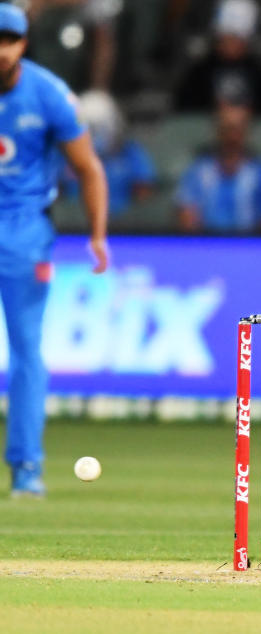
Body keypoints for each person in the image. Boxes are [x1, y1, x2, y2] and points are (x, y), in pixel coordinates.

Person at [0, 4, 109, 497]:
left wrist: (98, 233)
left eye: (10, 40)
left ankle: (26, 468)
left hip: (24, 231)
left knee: (26, 350)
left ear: (23, 44)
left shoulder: (47, 93)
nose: (1, 51)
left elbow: (88, 167)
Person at [175, 101, 261, 233]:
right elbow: (187, 217)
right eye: (227, 129)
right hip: (207, 246)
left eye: (238, 130)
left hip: (250, 247)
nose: (232, 137)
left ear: (247, 132)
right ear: (217, 132)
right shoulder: (197, 171)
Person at [173, 0, 261, 115]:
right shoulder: (202, 70)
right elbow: (184, 105)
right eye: (225, 39)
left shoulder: (256, 71)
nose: (230, 44)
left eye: (235, 39)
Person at [60, 90, 155, 215]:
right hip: (74, 226)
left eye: (95, 128)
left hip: (123, 225)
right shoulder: (66, 156)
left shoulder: (130, 151)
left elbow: (144, 193)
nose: (89, 135)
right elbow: (55, 195)